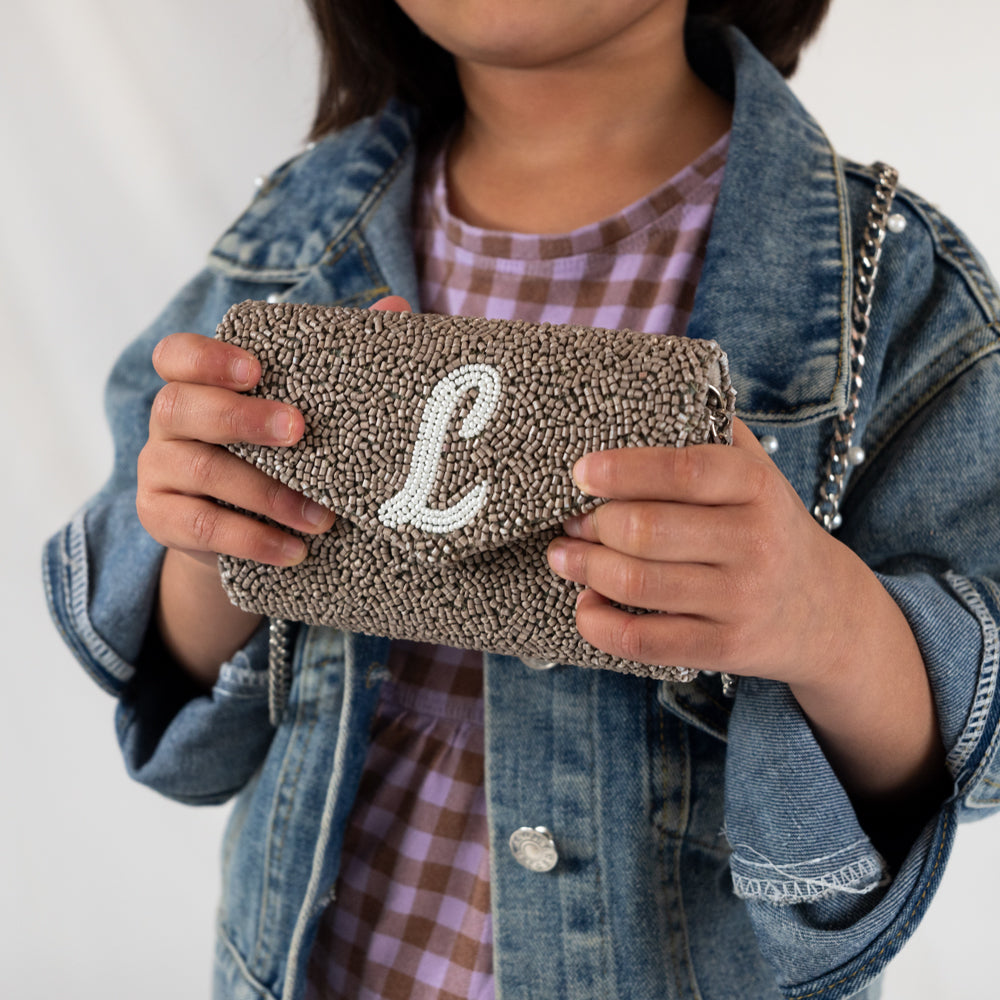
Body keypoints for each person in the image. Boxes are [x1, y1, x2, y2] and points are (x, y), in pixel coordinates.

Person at [42, 1, 1000, 998]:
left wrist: (826, 621)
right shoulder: (289, 245)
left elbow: (974, 741)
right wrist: (211, 541)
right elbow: (183, 722)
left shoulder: (892, 294)